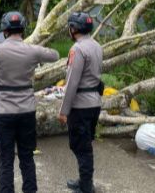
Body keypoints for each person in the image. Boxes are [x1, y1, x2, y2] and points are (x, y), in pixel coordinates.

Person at [0, 11, 60, 193]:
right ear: (22, 29)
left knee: (6, 161)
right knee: (27, 158)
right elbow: (55, 55)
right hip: (26, 111)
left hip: (4, 112)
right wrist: (36, 53)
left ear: (4, 30)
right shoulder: (32, 50)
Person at [58, 12, 103, 193]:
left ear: (74, 29)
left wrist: (64, 110)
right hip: (94, 103)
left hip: (80, 105)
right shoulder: (96, 45)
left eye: (70, 27)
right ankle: (84, 180)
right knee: (84, 144)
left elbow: (72, 82)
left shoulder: (77, 49)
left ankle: (86, 187)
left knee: (81, 146)